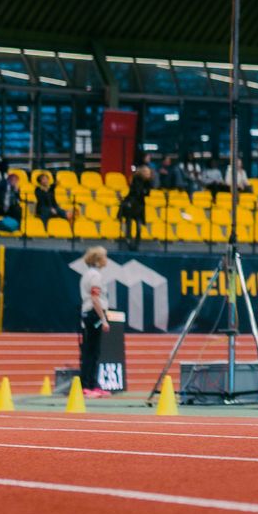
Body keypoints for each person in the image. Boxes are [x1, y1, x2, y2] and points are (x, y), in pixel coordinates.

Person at [78, 245, 114, 398]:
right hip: (94, 314)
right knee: (91, 351)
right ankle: (86, 386)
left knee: (93, 351)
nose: (106, 260)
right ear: (98, 260)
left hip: (90, 314)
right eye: (104, 257)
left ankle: (92, 384)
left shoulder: (88, 274)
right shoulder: (95, 276)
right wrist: (103, 319)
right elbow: (95, 298)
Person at [119, 164, 152, 249]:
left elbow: (147, 193)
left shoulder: (148, 182)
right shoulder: (136, 179)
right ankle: (128, 241)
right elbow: (138, 191)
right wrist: (143, 191)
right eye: (147, 172)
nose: (148, 174)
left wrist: (144, 190)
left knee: (139, 227)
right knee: (129, 225)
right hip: (132, 204)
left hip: (140, 206)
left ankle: (136, 244)